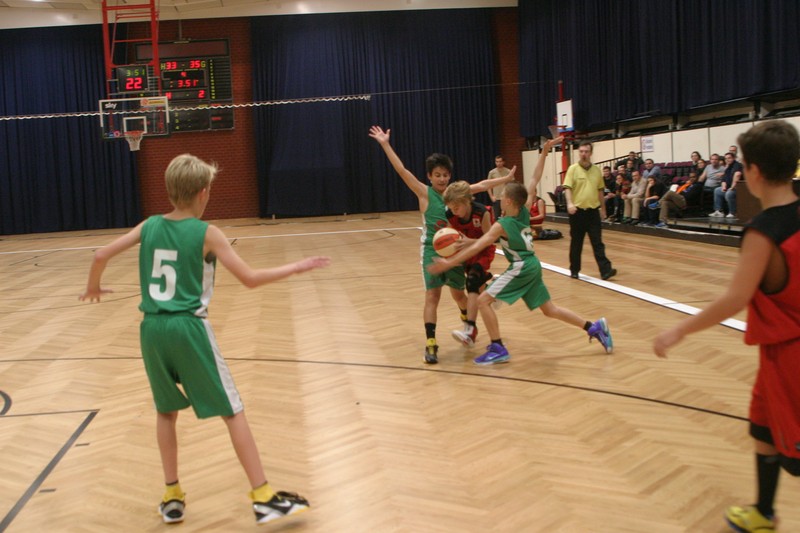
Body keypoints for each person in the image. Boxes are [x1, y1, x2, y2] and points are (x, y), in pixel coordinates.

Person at [78, 154, 329, 525]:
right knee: (232, 409)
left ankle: (172, 494)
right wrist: (296, 266)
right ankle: (263, 496)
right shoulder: (207, 233)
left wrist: (93, 287)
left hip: (151, 329)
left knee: (166, 411)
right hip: (188, 328)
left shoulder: (149, 225)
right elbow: (249, 279)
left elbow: (101, 254)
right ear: (203, 193)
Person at [653, 120, 800, 533]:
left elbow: (735, 299)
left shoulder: (763, 233)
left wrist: (679, 330)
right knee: (762, 427)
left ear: (752, 171)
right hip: (776, 355)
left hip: (791, 356)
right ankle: (763, 513)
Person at [428, 138, 612, 365]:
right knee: (550, 310)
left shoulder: (502, 225)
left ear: (508, 201)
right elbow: (534, 178)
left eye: (503, 195)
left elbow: (478, 245)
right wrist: (544, 152)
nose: (500, 197)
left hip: (521, 267)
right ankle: (594, 327)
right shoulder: (524, 211)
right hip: (532, 265)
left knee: (483, 301)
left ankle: (498, 348)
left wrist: (448, 263)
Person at [368, 125, 514, 364]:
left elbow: (480, 185)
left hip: (455, 250)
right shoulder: (424, 193)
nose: (442, 179)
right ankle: (431, 343)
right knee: (432, 296)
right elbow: (402, 170)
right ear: (429, 176)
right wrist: (385, 144)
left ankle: (469, 325)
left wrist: (505, 179)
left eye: (446, 175)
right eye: (438, 175)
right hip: (431, 250)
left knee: (459, 295)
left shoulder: (454, 193)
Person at [442, 181, 499, 348]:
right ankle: (493, 287)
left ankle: (470, 331)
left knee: (472, 282)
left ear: (467, 201)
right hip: (466, 253)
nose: (454, 211)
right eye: (451, 208)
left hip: (483, 251)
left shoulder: (482, 212)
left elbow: (490, 239)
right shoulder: (450, 215)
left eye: (456, 208)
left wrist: (470, 242)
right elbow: (450, 235)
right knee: (478, 289)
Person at [563, 141, 617, 280]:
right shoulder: (572, 169)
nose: (583, 154)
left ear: (590, 153)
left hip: (593, 212)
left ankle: (605, 270)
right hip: (577, 213)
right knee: (576, 243)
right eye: (581, 151)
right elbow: (567, 188)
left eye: (586, 151)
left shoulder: (596, 171)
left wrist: (603, 209)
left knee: (597, 242)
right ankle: (574, 270)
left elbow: (600, 191)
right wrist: (570, 203)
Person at [710, 151, 743, 218]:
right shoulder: (728, 167)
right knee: (717, 190)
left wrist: (732, 187)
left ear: (734, 158)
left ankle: (733, 212)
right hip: (729, 187)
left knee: (729, 193)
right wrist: (723, 187)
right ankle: (719, 211)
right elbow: (724, 179)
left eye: (729, 158)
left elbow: (737, 175)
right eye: (726, 158)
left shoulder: (737, 165)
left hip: (739, 188)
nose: (727, 160)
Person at [487, 155, 511, 220]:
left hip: (506, 197)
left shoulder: (508, 171)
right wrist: (491, 196)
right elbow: (488, 185)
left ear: (503, 162)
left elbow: (512, 184)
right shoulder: (492, 172)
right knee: (497, 217)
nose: (498, 163)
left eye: (500, 161)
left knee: (507, 216)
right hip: (496, 198)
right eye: (497, 162)